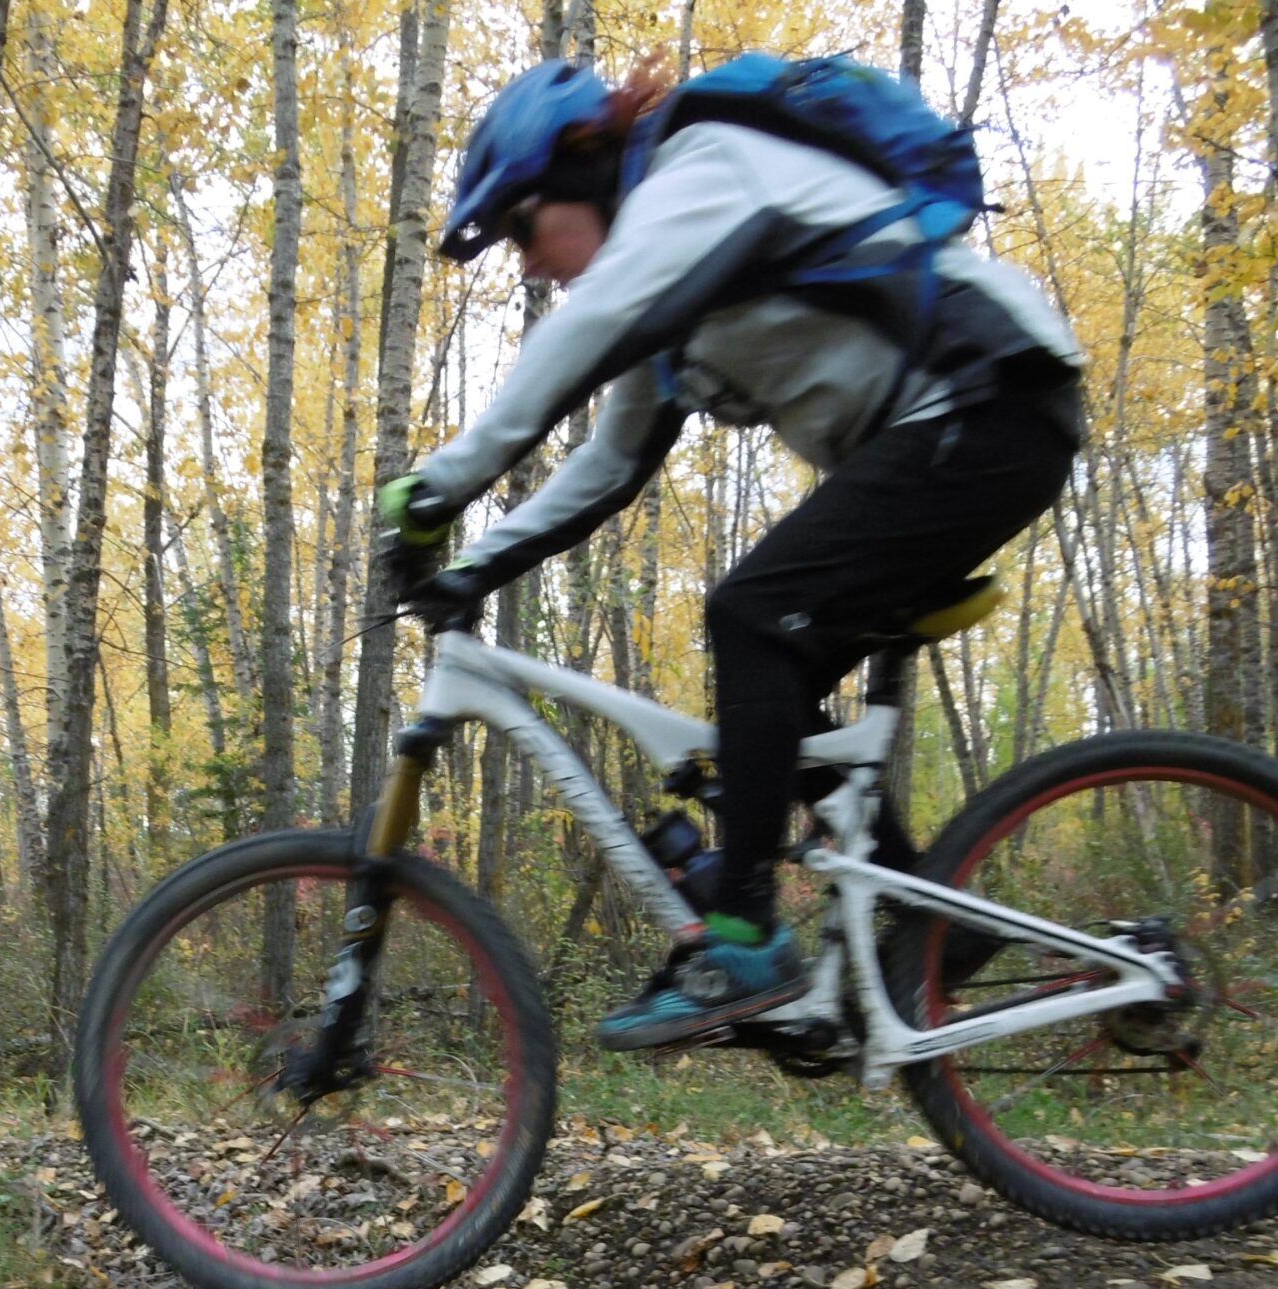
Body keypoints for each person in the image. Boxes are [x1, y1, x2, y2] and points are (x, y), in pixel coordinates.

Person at [377, 55, 1086, 1053]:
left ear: (582, 165)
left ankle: (744, 941)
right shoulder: (678, 284)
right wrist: (469, 570)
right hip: (958, 427)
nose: (527, 264)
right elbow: (607, 466)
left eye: (523, 230)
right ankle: (938, 922)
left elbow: (591, 322)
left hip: (988, 401)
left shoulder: (700, 173)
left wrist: (436, 486)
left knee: (751, 615)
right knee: (774, 703)